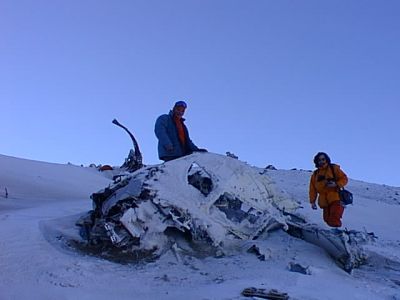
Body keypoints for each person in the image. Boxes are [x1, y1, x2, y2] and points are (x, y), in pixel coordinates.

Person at [309, 152, 349, 227]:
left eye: (323, 159)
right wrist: (312, 202)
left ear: (326, 159)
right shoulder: (315, 175)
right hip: (324, 201)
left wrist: (336, 184)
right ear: (316, 161)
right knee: (326, 219)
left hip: (336, 198)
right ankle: (333, 235)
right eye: (319, 160)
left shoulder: (333, 168)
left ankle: (338, 234)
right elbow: (312, 189)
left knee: (334, 218)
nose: (321, 161)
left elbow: (344, 178)